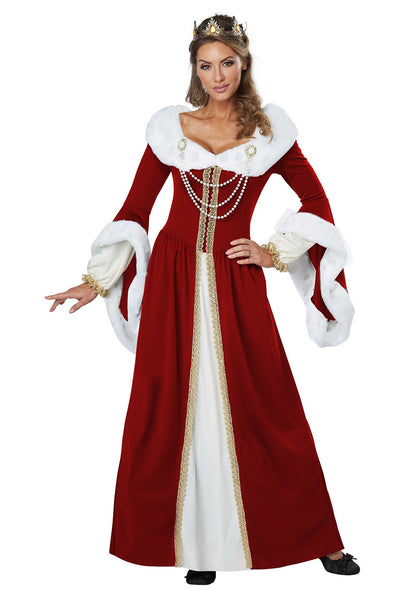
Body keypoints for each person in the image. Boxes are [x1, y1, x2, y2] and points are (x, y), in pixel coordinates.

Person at [45, 13, 359, 586]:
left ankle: (319, 537)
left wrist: (273, 252)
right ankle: (199, 545)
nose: (218, 76)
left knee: (268, 403)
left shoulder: (269, 133)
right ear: (194, 69)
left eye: (227, 63)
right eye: (206, 65)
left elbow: (316, 200)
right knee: (172, 407)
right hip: (172, 279)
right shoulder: (172, 130)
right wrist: (95, 280)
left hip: (237, 281)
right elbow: (136, 208)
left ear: (244, 64)